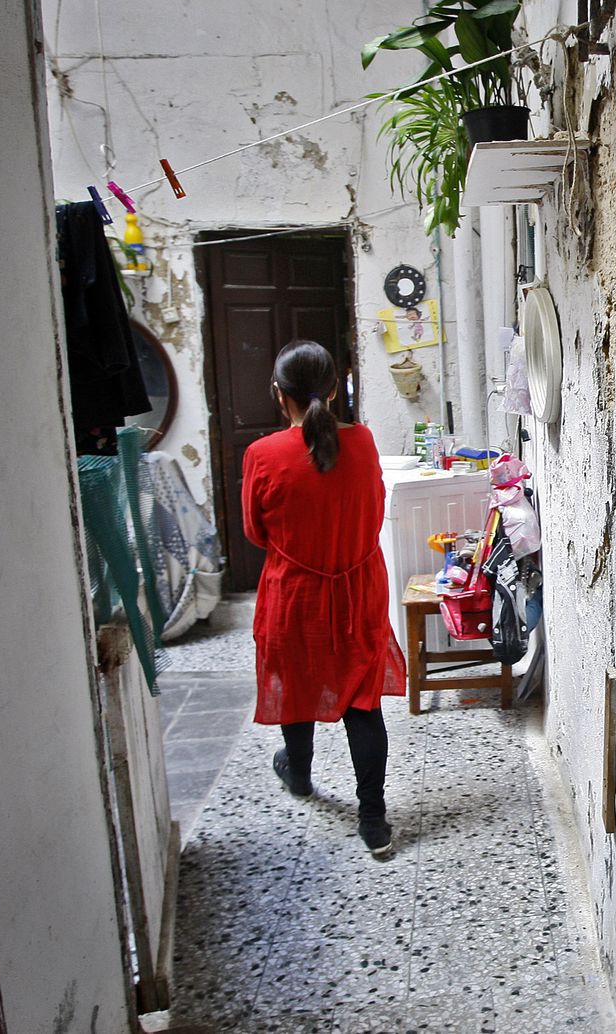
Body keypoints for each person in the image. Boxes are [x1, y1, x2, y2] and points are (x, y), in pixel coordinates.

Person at [242, 340, 406, 855]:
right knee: (363, 700)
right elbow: (374, 511)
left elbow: (254, 531)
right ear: (336, 390)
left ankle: (299, 775)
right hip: (358, 589)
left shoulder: (262, 455)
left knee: (296, 681)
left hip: (295, 593)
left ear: (278, 395)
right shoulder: (364, 443)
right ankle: (373, 821)